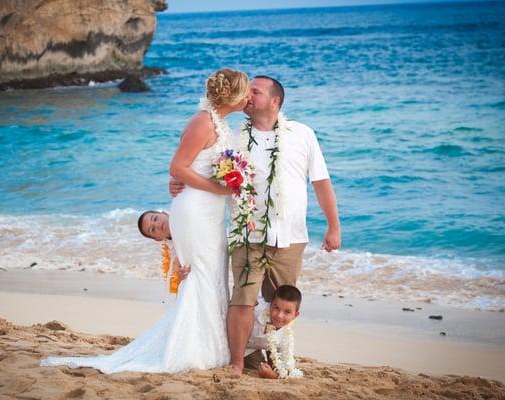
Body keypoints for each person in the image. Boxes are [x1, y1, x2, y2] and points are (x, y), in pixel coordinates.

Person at [40, 68, 250, 373]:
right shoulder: (202, 122)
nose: (247, 98)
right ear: (232, 96)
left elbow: (200, 168)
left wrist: (228, 186)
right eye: (245, 92)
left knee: (214, 274)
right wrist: (216, 188)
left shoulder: (220, 123)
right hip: (194, 211)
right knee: (201, 276)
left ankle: (214, 347)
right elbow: (177, 167)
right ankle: (192, 349)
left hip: (211, 213)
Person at [169, 75, 341, 374]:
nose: (248, 96)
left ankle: (273, 358)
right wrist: (176, 180)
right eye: (247, 91)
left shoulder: (302, 134)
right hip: (247, 233)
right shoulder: (233, 135)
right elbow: (200, 162)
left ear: (275, 101)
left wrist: (333, 226)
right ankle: (237, 362)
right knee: (243, 299)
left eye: (256, 92)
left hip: (290, 235)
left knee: (281, 303)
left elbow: (321, 182)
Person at [243, 285, 303, 379]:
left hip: (251, 349)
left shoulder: (286, 335)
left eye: (287, 312)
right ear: (270, 304)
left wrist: (273, 375)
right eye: (276, 308)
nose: (279, 316)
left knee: (259, 369)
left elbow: (288, 368)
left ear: (295, 315)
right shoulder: (254, 310)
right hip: (233, 343)